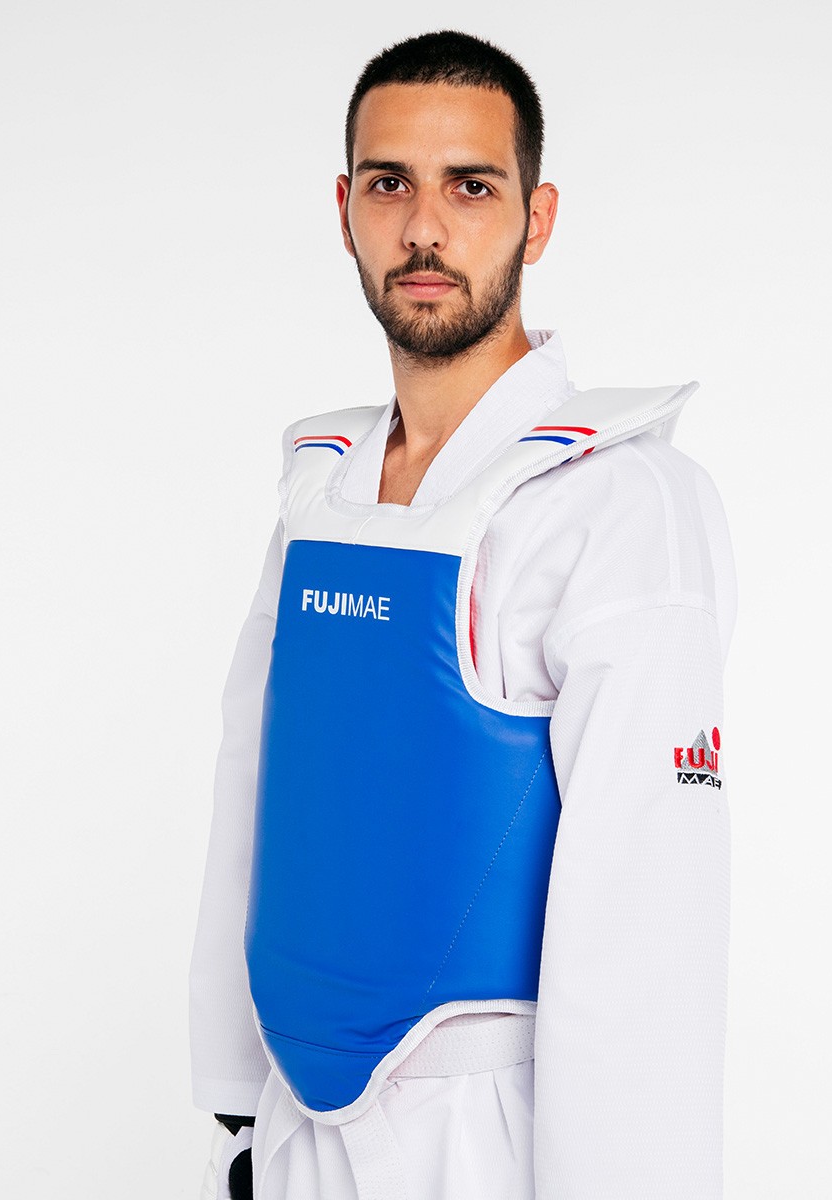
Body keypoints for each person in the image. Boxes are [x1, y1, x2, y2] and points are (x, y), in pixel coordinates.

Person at [189, 28, 736, 1200]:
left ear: (537, 219)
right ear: (346, 210)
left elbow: (646, 923)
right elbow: (256, 786)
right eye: (390, 184)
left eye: (470, 186)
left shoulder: (618, 502)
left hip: (484, 1139)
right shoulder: (321, 492)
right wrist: (234, 1107)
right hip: (292, 1123)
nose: (425, 229)